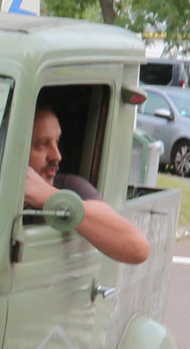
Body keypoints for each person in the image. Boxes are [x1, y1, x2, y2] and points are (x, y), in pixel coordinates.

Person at [23, 106, 150, 264]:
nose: (57, 156)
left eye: (57, 142)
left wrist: (51, 197)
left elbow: (137, 248)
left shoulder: (69, 186)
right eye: (42, 144)